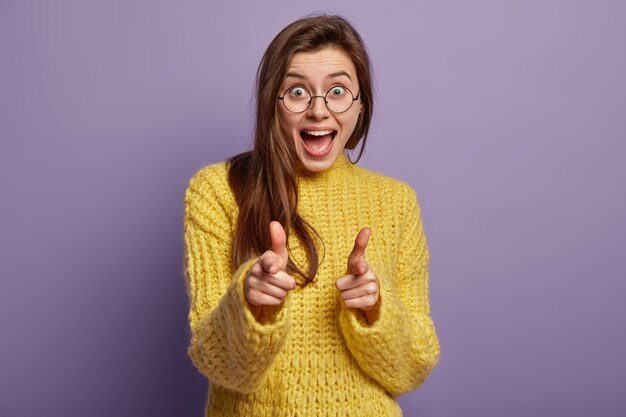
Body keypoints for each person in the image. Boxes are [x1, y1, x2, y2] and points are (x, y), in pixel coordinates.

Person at [182, 14, 440, 416]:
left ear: (360, 107)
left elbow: (411, 369)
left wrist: (374, 309)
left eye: (337, 91)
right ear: (273, 103)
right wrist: (250, 304)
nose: (319, 111)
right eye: (298, 92)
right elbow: (216, 362)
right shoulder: (219, 190)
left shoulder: (397, 202)